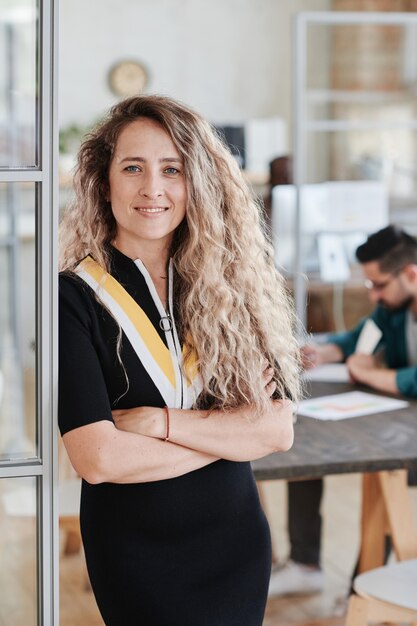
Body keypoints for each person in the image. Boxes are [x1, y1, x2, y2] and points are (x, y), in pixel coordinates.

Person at [58, 94, 301, 626]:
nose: (153, 189)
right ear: (105, 181)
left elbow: (276, 431)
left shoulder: (229, 288)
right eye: (133, 168)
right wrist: (228, 435)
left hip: (235, 544)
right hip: (136, 554)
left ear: (196, 183)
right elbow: (98, 459)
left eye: (173, 169)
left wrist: (161, 424)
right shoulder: (71, 297)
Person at [269, 224, 417, 597]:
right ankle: (306, 562)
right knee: (301, 444)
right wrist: (325, 352)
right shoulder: (394, 310)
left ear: (411, 274)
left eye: (378, 285)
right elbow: (355, 341)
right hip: (396, 420)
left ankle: (364, 591)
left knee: (383, 476)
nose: (373, 295)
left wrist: (372, 374)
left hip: (406, 437)